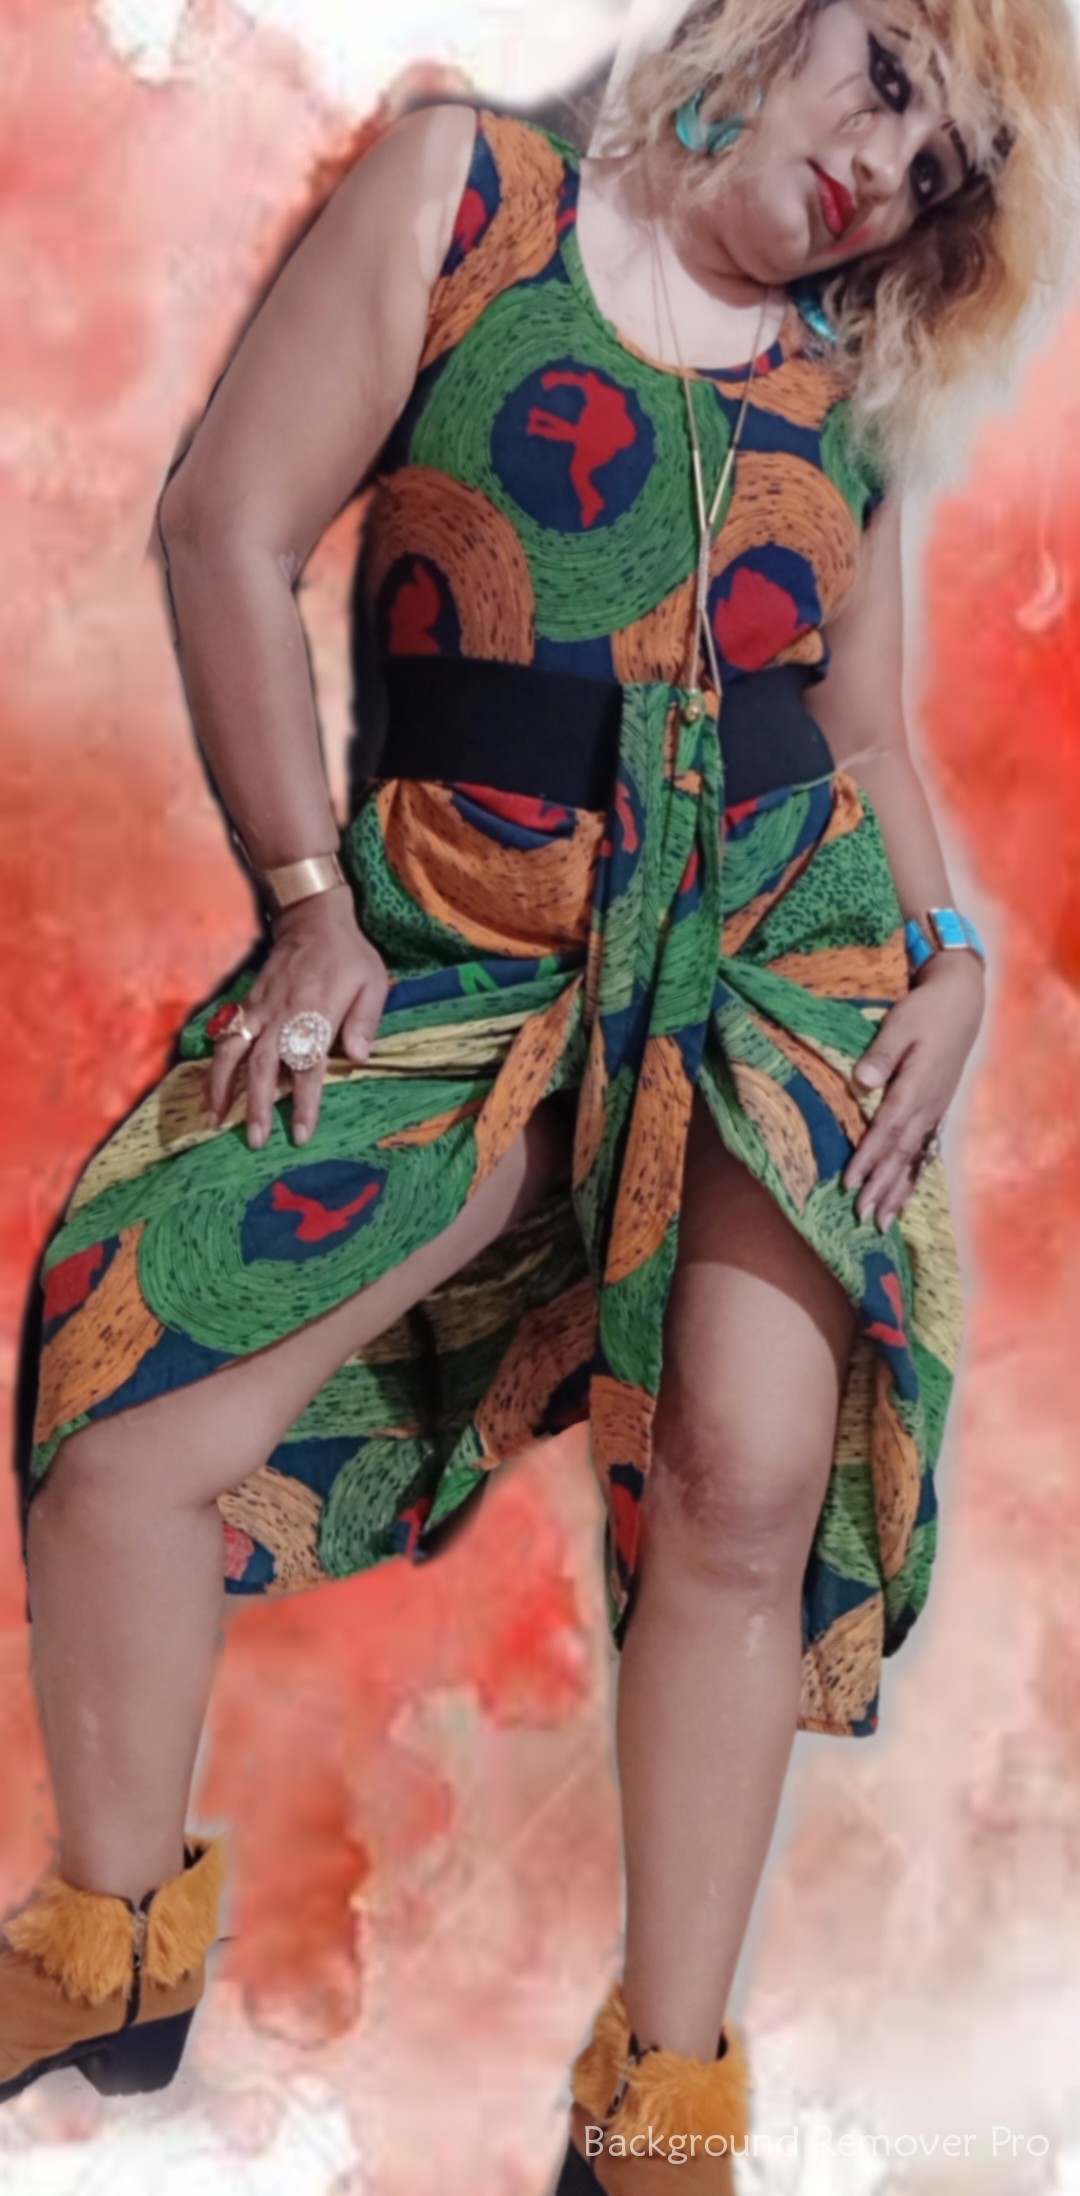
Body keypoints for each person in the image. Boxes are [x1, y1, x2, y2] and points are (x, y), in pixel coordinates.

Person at [3, 0, 1078, 2177]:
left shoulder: (845, 388)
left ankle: (665, 2097)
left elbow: (864, 735)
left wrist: (953, 961)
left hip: (769, 949)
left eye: (939, 174)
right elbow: (226, 528)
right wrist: (305, 904)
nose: (886, 171)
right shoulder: (464, 198)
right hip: (464, 943)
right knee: (123, 1381)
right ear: (780, 18)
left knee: (744, 1483)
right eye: (889, 77)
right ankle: (109, 1950)